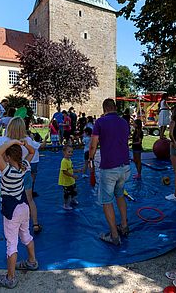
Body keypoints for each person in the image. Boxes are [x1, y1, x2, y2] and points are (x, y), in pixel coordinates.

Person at [0, 139, 38, 289]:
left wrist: (11, 141)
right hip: (24, 207)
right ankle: (32, 261)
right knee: (26, 235)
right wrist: (25, 145)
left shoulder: (6, 171)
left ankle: (10, 278)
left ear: (7, 157)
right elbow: (33, 152)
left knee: (11, 244)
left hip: (12, 211)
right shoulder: (24, 167)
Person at [89, 98, 130, 246]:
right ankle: (124, 226)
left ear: (104, 109)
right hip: (125, 166)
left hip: (109, 168)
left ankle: (114, 235)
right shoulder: (124, 122)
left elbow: (93, 144)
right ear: (114, 107)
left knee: (107, 201)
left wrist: (90, 158)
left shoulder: (100, 122)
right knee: (120, 195)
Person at [23, 131, 44, 234]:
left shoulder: (6, 141)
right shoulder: (30, 141)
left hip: (14, 173)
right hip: (28, 166)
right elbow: (34, 150)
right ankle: (35, 224)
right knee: (30, 200)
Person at [59, 145, 81, 210]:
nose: (70, 153)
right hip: (66, 182)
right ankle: (66, 205)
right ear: (64, 152)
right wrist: (73, 176)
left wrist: (77, 170)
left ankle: (73, 200)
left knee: (74, 191)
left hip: (71, 180)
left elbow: (70, 169)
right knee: (67, 193)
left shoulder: (69, 160)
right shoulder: (64, 161)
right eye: (69, 152)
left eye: (72, 152)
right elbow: (64, 171)